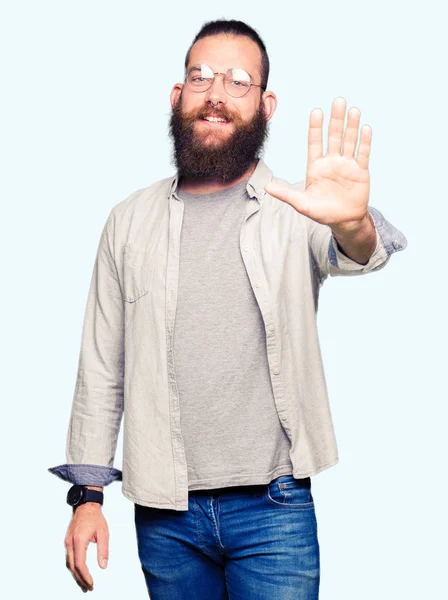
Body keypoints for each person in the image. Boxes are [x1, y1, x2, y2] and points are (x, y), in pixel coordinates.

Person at [48, 18, 407, 599]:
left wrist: (351, 221)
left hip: (274, 509)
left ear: (265, 107)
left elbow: (356, 253)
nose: (216, 93)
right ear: (177, 96)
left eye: (238, 81)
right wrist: (87, 497)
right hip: (166, 517)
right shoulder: (128, 221)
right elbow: (101, 369)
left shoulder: (300, 208)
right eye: (201, 77)